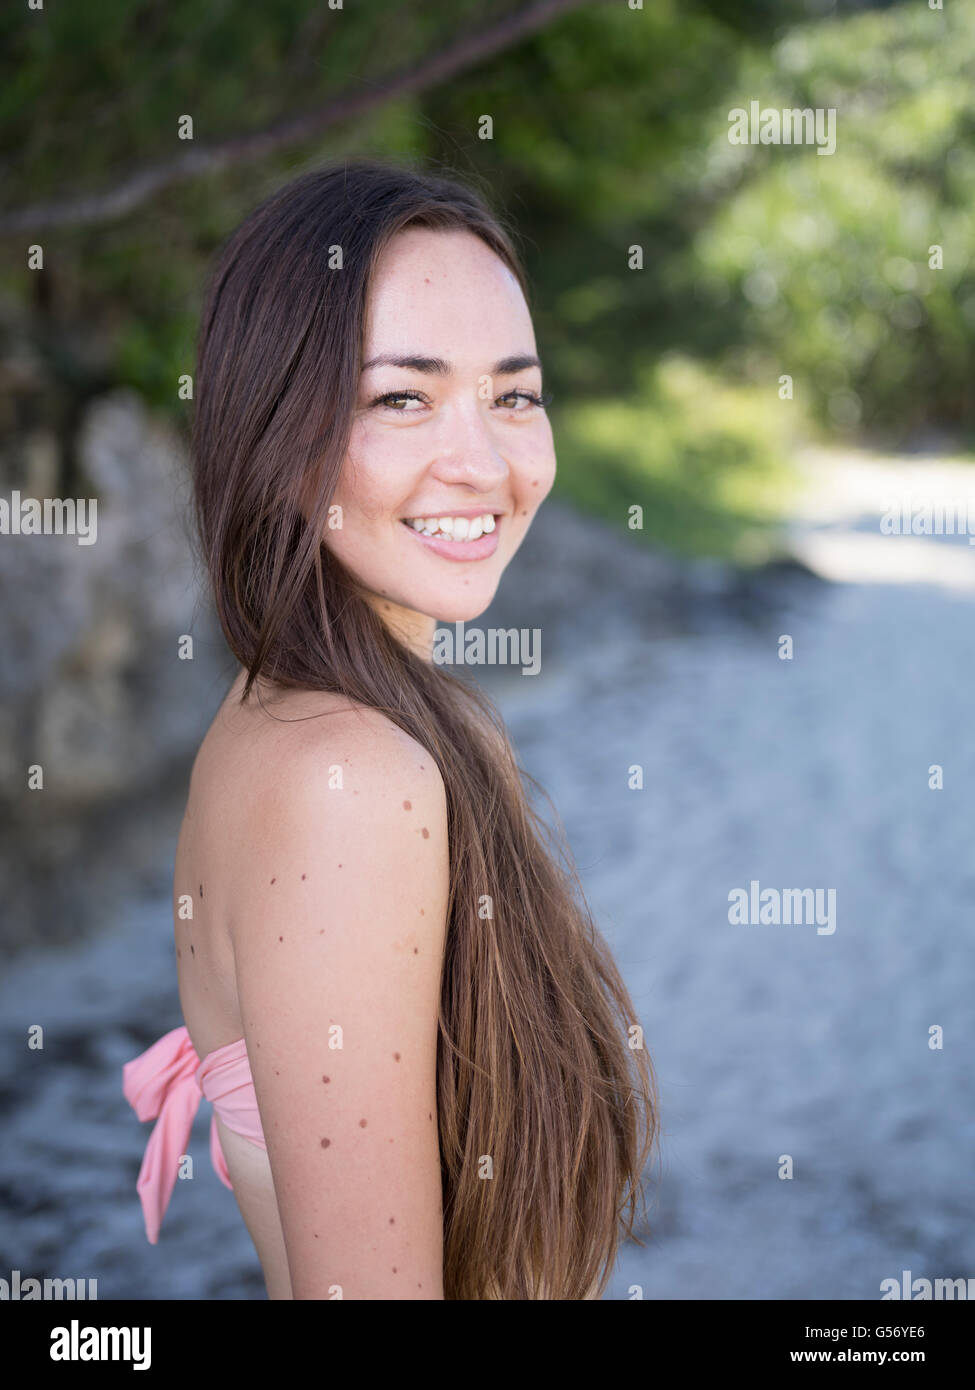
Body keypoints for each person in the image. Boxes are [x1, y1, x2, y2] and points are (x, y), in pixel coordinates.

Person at [122, 157, 658, 1300]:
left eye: (514, 393)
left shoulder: (321, 715)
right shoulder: (350, 778)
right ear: (277, 426)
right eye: (400, 397)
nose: (483, 461)